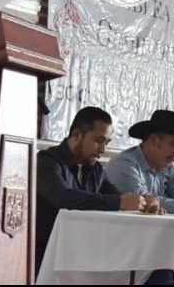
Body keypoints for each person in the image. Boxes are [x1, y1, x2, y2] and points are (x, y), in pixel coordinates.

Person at [36, 106, 146, 274]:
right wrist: (120, 202)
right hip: (45, 258)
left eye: (106, 143)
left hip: (83, 254)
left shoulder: (95, 170)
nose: (103, 150)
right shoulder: (47, 161)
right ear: (76, 135)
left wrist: (144, 204)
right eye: (98, 140)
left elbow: (118, 198)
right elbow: (63, 198)